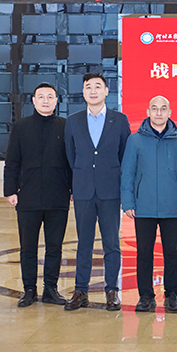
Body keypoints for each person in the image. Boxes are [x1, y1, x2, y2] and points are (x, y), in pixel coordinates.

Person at [64, 72, 130, 312]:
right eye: (88, 87)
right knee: (84, 242)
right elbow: (71, 155)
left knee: (111, 243)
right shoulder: (73, 121)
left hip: (110, 190)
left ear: (106, 91)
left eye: (98, 86)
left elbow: (125, 155)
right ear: (83, 92)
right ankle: (80, 290)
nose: (93, 91)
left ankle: (112, 290)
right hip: (83, 190)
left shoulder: (119, 120)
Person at [120, 95, 177, 314]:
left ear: (170, 112)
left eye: (163, 108)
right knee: (144, 252)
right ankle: (145, 296)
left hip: (172, 205)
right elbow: (127, 173)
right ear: (148, 112)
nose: (159, 113)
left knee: (172, 251)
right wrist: (128, 201)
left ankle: (172, 295)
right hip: (144, 205)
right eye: (155, 108)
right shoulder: (135, 140)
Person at [3, 83, 70, 308]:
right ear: (33, 101)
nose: (45, 101)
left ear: (56, 100)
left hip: (58, 197)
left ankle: (51, 289)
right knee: (28, 248)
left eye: (50, 97)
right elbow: (12, 161)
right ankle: (29, 290)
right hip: (28, 198)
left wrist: (72, 189)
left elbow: (72, 161)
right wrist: (10, 190)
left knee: (55, 247)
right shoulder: (21, 127)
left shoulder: (65, 126)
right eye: (41, 97)